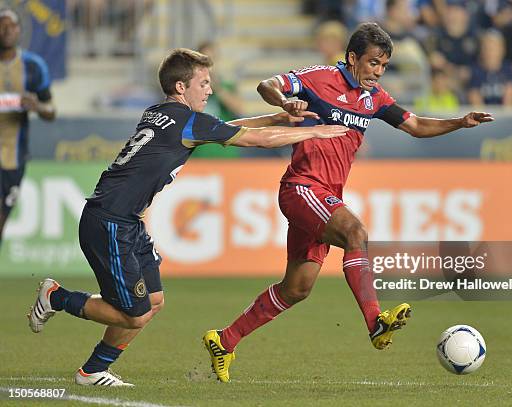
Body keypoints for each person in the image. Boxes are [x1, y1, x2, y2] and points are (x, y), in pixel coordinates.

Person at [27, 48, 348, 387]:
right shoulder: (187, 120)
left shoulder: (163, 113)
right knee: (133, 315)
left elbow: (224, 129)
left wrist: (273, 118)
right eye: (204, 82)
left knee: (152, 302)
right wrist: (314, 132)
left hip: (126, 221)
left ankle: (92, 371)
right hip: (110, 222)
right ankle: (57, 296)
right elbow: (257, 141)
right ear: (182, 87)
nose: (210, 89)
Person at [204, 22, 493, 383]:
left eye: (384, 65)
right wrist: (285, 101)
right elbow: (268, 85)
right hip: (302, 187)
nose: (378, 71)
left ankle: (224, 340)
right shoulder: (320, 77)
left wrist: (460, 122)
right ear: (353, 58)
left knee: (297, 288)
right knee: (356, 232)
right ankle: (375, 322)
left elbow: (416, 125)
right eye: (373, 63)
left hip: (325, 196)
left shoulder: (375, 99)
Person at [0, 8, 56, 248]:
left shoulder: (33, 66)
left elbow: (51, 110)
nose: (6, 31)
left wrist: (36, 106)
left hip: (13, 157)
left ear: (19, 30)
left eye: (11, 26)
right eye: (2, 26)